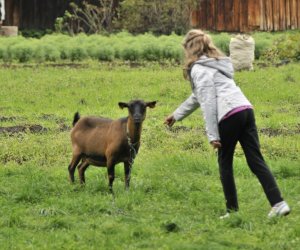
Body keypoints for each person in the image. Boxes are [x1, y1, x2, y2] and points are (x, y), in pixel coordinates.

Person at [164, 29, 290, 218]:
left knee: (225, 163)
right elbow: (198, 96)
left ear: (190, 49)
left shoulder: (199, 68)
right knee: (256, 160)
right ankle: (278, 203)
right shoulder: (217, 64)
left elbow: (207, 101)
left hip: (229, 115)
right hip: (245, 109)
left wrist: (213, 136)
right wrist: (177, 115)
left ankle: (232, 211)